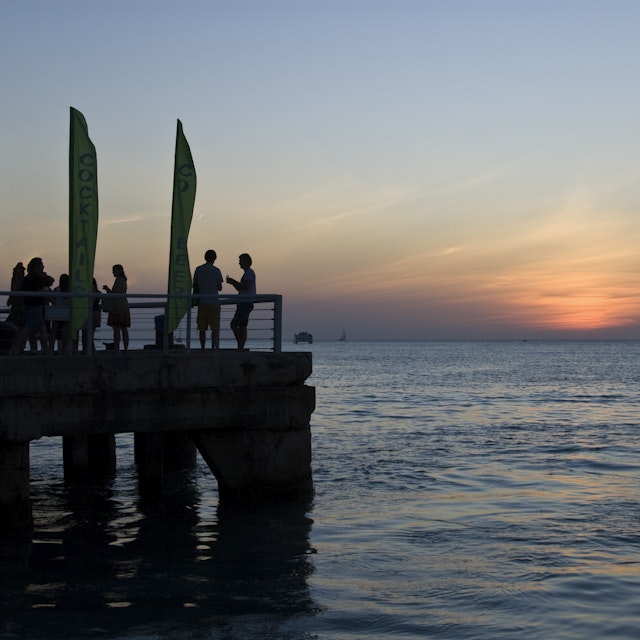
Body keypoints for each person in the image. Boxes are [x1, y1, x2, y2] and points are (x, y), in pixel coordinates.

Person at [10, 257, 51, 355]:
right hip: (34, 306)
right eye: (41, 265)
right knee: (28, 329)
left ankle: (47, 350)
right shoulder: (35, 278)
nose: (43, 267)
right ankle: (15, 349)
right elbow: (42, 291)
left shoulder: (28, 278)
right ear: (36, 266)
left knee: (41, 329)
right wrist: (52, 299)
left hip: (31, 306)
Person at [192, 249, 223, 350]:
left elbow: (195, 285)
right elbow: (219, 287)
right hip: (214, 302)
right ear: (214, 259)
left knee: (202, 328)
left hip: (202, 301)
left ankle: (202, 348)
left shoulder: (198, 269)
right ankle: (213, 348)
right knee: (215, 328)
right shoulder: (217, 270)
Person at [226, 253, 256, 351]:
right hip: (245, 303)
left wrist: (233, 281)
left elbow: (245, 287)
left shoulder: (249, 273)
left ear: (246, 261)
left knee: (234, 324)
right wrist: (233, 283)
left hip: (245, 303)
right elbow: (241, 288)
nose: (239, 263)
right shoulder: (248, 273)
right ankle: (240, 347)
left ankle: (240, 345)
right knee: (242, 326)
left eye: (240, 261)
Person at [103, 264, 130, 352]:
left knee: (117, 329)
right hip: (124, 306)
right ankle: (125, 348)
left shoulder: (119, 280)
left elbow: (115, 294)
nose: (112, 272)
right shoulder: (123, 280)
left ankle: (117, 349)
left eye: (114, 270)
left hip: (117, 307)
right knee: (123, 329)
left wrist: (108, 290)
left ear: (119, 270)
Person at [48, 273, 71, 354]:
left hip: (57, 310)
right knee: (65, 330)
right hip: (66, 310)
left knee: (53, 330)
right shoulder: (71, 291)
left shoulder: (56, 289)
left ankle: (50, 348)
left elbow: (52, 299)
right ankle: (64, 349)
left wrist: (55, 303)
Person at [79, 278, 101, 354]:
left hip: (89, 313)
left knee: (85, 333)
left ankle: (87, 350)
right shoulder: (98, 292)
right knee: (90, 334)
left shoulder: (89, 289)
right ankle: (91, 350)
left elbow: (91, 302)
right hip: (96, 313)